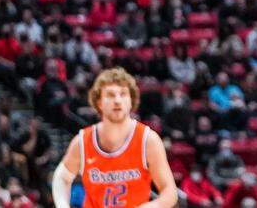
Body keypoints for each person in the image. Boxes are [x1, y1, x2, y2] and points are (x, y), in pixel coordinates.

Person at [51, 67, 178, 208]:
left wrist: (151, 206)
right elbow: (62, 177)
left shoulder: (148, 140)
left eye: (123, 94)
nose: (117, 100)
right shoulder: (82, 141)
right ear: (99, 102)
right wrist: (62, 205)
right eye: (110, 95)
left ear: (131, 101)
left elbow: (170, 191)